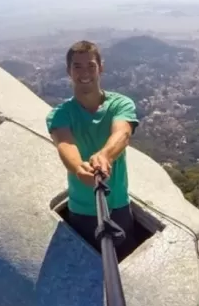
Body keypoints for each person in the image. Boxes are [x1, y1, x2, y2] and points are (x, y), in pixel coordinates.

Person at [46, 40, 139, 260]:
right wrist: (79, 168)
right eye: (77, 66)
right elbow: (65, 143)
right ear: (69, 71)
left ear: (101, 68)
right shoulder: (59, 114)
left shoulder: (121, 104)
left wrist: (105, 155)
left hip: (118, 204)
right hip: (81, 210)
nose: (84, 72)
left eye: (91, 66)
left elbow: (122, 133)